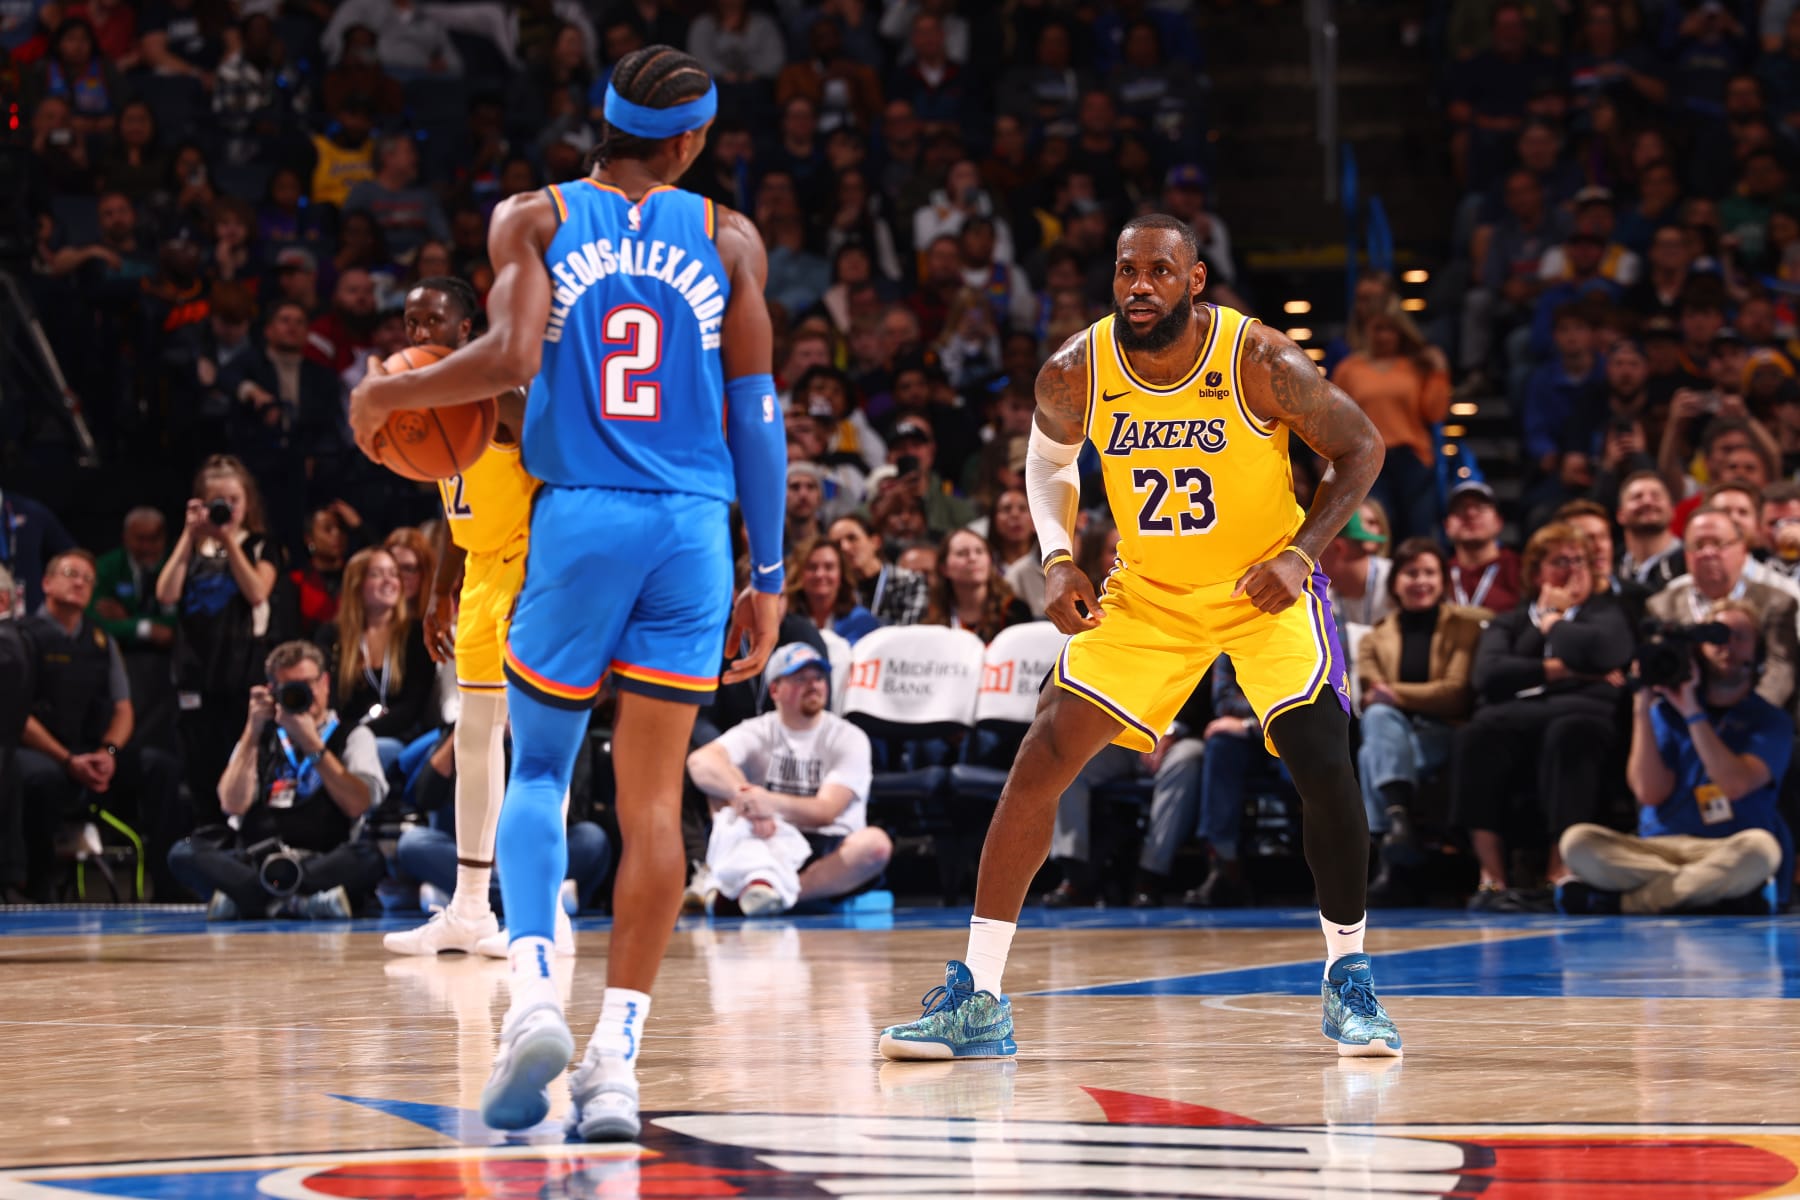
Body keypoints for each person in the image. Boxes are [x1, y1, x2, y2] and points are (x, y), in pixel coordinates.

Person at [348, 45, 784, 1140]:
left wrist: (378, 399)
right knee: (650, 808)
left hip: (582, 514)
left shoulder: (531, 218)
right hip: (693, 532)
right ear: (690, 140)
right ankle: (617, 1063)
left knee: (539, 768)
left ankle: (535, 995)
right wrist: (767, 575)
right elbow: (759, 421)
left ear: (603, 119)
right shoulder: (730, 238)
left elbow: (499, 358)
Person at [878, 214, 1400, 1060]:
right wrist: (1055, 558)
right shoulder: (1076, 368)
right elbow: (1048, 464)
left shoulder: (1258, 360)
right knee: (1042, 755)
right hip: (1150, 595)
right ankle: (978, 996)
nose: (1141, 286)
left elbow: (1361, 448)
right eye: (1127, 271)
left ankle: (1349, 979)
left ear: (1195, 281)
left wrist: (1304, 555)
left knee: (1323, 758)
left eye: (1160, 270)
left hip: (1261, 587)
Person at [381, 276, 566, 959]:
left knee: (539, 744)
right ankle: (468, 909)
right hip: (480, 568)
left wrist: (543, 578)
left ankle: (547, 910)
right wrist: (439, 590)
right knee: (476, 736)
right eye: (409, 322)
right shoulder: (431, 397)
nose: (418, 334)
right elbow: (454, 503)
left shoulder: (506, 397)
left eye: (432, 322)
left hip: (528, 567)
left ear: (467, 331)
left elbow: (558, 486)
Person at [1561, 598, 1790, 915]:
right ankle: (1714, 894)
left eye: (1740, 637)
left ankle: (1626, 902)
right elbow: (1648, 791)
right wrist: (1641, 705)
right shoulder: (1664, 713)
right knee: (1576, 843)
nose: (1729, 647)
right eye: (1719, 637)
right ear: (1700, 650)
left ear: (1758, 651)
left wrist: (1694, 714)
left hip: (1727, 846)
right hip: (1657, 849)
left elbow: (1735, 784)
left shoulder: (1770, 721)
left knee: (1761, 851)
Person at [1451, 522, 1635, 908]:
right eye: (1559, 561)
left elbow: (1605, 653)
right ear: (1537, 573)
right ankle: (1492, 876)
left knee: (1570, 733)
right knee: (1475, 736)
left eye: (1579, 561)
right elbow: (1489, 674)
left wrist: (1555, 623)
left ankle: (1559, 870)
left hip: (1578, 716)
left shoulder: (1607, 614)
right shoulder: (1511, 620)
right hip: (1516, 716)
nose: (1571, 570)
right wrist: (1570, 669)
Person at [166, 641, 387, 920]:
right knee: (184, 852)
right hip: (256, 860)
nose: (300, 694)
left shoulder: (352, 735)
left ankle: (256, 900)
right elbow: (232, 804)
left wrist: (312, 745)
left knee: (369, 857)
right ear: (272, 691)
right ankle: (296, 902)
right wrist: (252, 731)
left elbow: (357, 804)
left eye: (307, 683)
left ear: (325, 684)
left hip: (322, 858)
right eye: (289, 687)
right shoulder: (260, 736)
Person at [16, 551, 185, 900]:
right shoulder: (20, 637)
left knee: (160, 768)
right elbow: (16, 714)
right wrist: (66, 759)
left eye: (88, 579)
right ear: (46, 583)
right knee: (39, 778)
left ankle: (168, 887)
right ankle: (37, 887)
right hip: (40, 751)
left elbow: (123, 709)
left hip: (90, 751)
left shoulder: (101, 640)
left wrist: (108, 752)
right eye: (70, 573)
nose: (80, 582)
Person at [686, 644, 889, 915]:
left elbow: (826, 811)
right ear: (774, 690)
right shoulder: (759, 729)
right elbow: (700, 761)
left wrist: (768, 802)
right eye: (800, 679)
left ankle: (775, 895)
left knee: (875, 845)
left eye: (818, 677)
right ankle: (754, 892)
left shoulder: (848, 736)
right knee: (717, 790)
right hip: (766, 839)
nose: (813, 685)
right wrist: (744, 797)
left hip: (825, 846)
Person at [1354, 539, 1489, 900]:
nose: (1420, 581)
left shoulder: (1464, 627)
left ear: (1443, 580)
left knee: (1372, 752)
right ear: (1395, 582)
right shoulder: (1374, 638)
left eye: (1429, 572)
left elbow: (1455, 692)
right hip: (1392, 730)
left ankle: (1391, 852)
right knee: (1378, 722)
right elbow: (1370, 695)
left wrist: (1396, 694)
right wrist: (1387, 699)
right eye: (1411, 573)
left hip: (1444, 730)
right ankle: (1398, 828)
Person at [154, 456, 284, 813]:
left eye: (234, 500)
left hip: (241, 672)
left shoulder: (260, 545)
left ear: (248, 502)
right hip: (195, 673)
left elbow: (257, 591)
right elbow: (166, 594)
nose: (227, 507)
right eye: (218, 501)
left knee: (240, 762)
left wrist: (228, 538)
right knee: (198, 768)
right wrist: (189, 533)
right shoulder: (192, 548)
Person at [1647, 508, 1800, 713]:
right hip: (1683, 716)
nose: (1708, 553)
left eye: (1718, 543)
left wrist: (1748, 718)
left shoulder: (1776, 602)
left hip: (1755, 720)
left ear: (1743, 549)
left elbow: (1780, 671)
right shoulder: (1663, 605)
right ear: (1686, 555)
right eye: (1698, 545)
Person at [311, 547, 437, 769]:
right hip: (345, 738)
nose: (389, 581)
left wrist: (361, 734)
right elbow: (329, 699)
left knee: (375, 752)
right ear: (357, 584)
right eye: (377, 574)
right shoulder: (332, 636)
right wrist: (348, 735)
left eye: (393, 573)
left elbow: (413, 705)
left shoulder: (416, 634)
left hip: (402, 739)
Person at [923, 528, 1033, 644]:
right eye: (962, 553)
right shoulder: (932, 614)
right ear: (944, 568)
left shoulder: (1015, 611)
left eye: (979, 551)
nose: (973, 558)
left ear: (990, 560)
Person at [828, 513, 930, 626]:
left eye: (852, 538)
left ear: (875, 542)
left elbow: (911, 630)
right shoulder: (836, 589)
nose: (845, 547)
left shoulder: (910, 581)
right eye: (836, 545)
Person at [1443, 480, 1523, 613]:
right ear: (1447, 525)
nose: (1470, 514)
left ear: (1498, 521)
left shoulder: (1521, 569)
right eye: (1460, 509)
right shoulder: (1438, 574)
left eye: (1481, 508)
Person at [787, 537, 881, 644]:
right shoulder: (786, 623)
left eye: (829, 567)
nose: (820, 574)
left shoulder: (862, 621)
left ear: (842, 574)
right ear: (799, 574)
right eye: (812, 567)